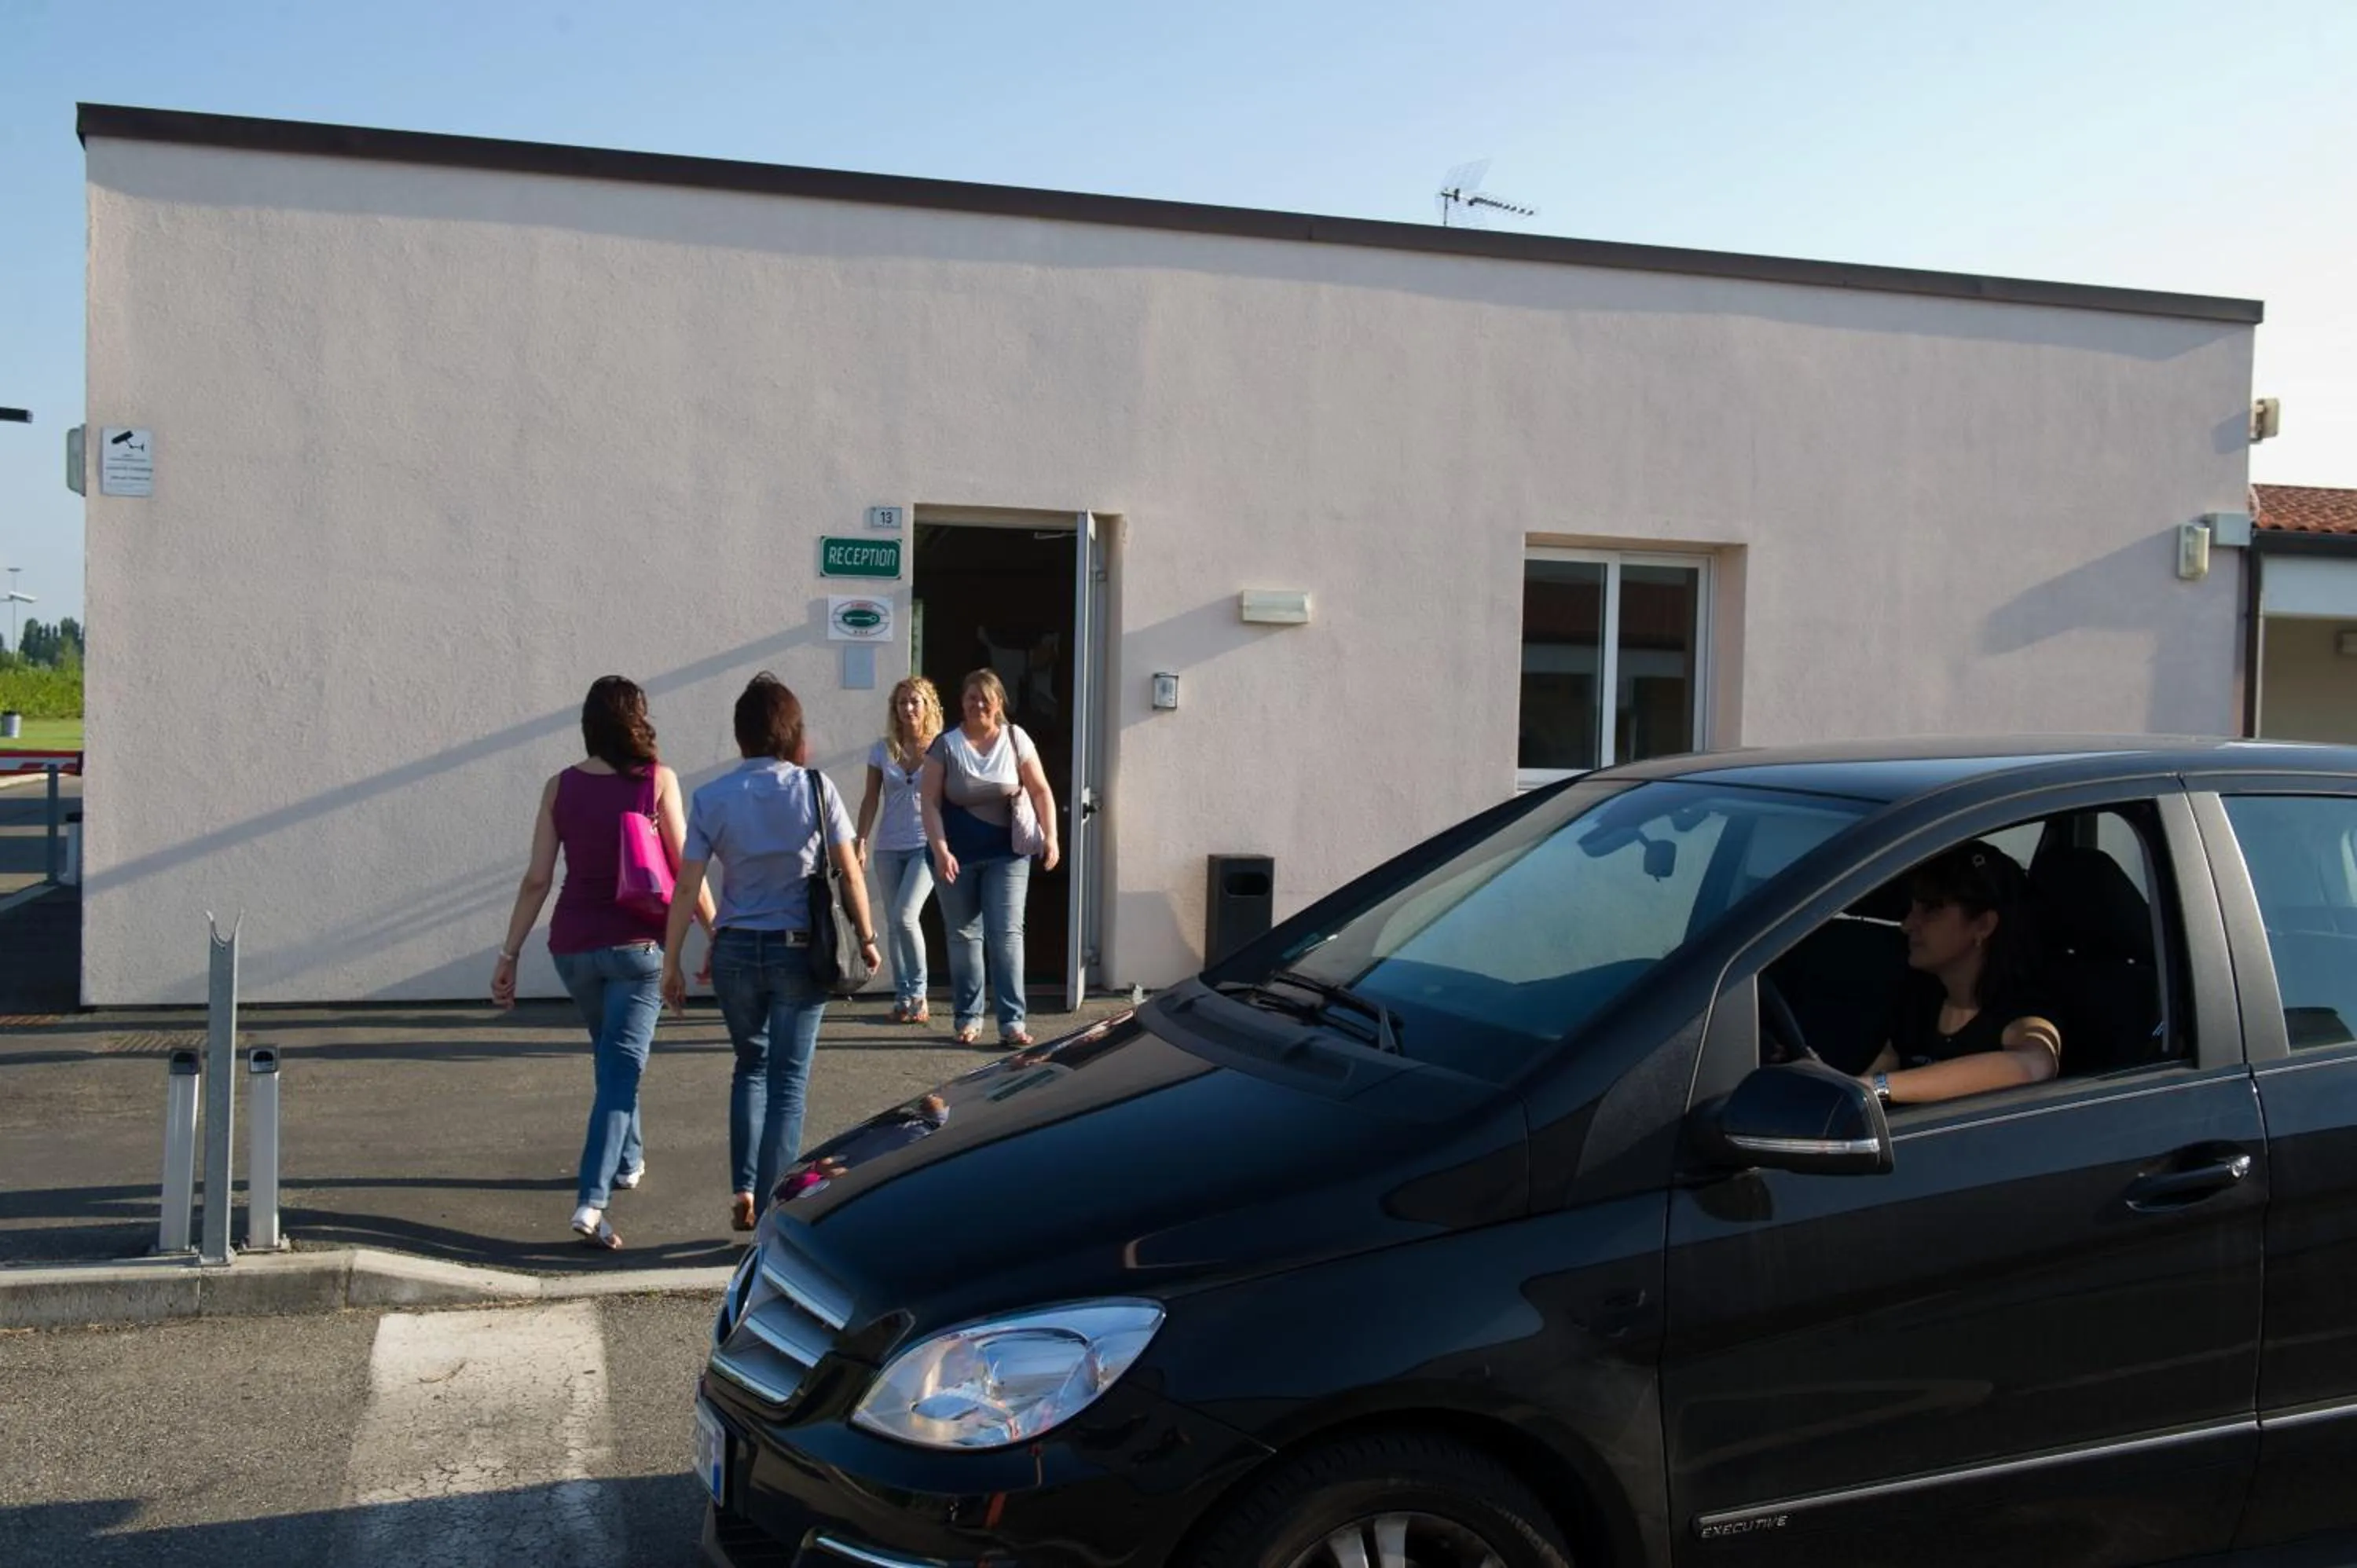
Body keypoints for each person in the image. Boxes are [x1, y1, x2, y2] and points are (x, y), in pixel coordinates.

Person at [493, 675, 713, 1251]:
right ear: (638, 720)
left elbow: (538, 878)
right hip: (638, 950)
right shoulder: (656, 782)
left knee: (612, 1056)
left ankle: (627, 1160)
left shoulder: (558, 787)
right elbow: (686, 872)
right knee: (620, 1071)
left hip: (573, 949)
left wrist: (509, 952)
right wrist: (719, 933)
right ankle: (592, 1202)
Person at [662, 674, 880, 1233]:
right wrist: (867, 936)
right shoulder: (815, 787)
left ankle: (743, 1187)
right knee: (787, 1081)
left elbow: (687, 886)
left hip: (734, 948)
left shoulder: (712, 796)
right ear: (791, 732)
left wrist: (671, 960)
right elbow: (850, 872)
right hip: (797, 950)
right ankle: (772, 1209)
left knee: (750, 1068)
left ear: (741, 735)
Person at [1859, 841, 2062, 1107]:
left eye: (1930, 909)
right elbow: (1868, 1080)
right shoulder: (1920, 1000)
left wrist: (1879, 1087)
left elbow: (2033, 1066)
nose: (1907, 925)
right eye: (1912, 909)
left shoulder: (2022, 1012)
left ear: (1983, 925)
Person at [920, 669, 1060, 1046]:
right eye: (971, 698)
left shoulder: (1016, 739)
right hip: (956, 856)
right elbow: (929, 801)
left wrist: (1052, 838)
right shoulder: (945, 745)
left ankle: (1012, 1022)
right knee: (964, 936)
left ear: (999, 703)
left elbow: (1041, 790)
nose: (978, 704)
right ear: (961, 703)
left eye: (986, 698)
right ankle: (968, 1017)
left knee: (1006, 934)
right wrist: (940, 848)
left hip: (1008, 854)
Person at [854, 677, 944, 1024]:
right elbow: (870, 799)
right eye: (902, 702)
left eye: (915, 702)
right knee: (894, 922)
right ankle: (903, 996)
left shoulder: (939, 747)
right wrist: (860, 840)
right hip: (888, 846)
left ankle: (919, 994)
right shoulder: (883, 748)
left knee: (907, 915)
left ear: (927, 706)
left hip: (925, 844)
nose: (908, 708)